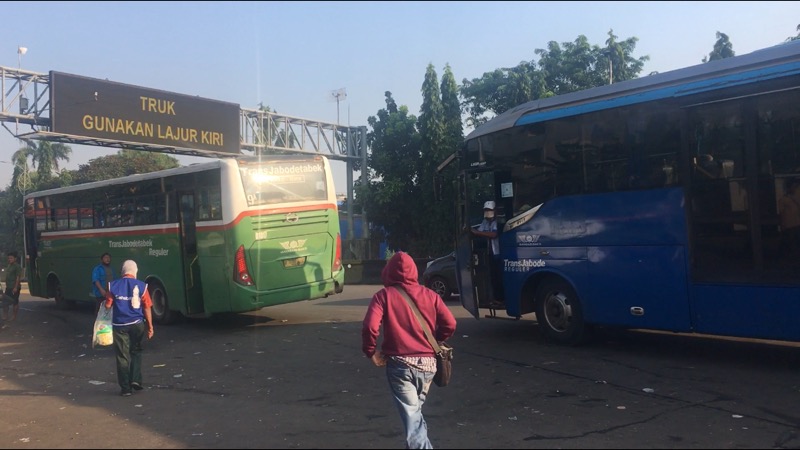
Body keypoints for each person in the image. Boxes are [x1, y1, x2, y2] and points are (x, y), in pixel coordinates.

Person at [362, 251, 456, 449]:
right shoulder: (431, 295)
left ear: (388, 272)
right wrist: (435, 340)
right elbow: (450, 323)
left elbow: (370, 326)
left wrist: (371, 351)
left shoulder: (383, 296)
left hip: (400, 367)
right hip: (428, 366)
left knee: (413, 421)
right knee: (415, 416)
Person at [104, 260, 154, 397]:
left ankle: (126, 389)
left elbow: (108, 306)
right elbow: (147, 307)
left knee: (122, 356)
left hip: (120, 325)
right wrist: (150, 327)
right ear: (135, 271)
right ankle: (136, 380)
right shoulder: (142, 286)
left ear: (123, 271)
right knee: (136, 351)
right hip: (137, 324)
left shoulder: (113, 285)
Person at [470, 201, 503, 303]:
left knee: (499, 277)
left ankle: (501, 298)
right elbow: (479, 232)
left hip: (499, 253)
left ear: (494, 211)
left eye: (489, 210)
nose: (487, 212)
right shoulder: (485, 222)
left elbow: (493, 235)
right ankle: (495, 298)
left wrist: (478, 232)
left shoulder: (498, 221)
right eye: (486, 210)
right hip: (490, 254)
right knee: (492, 277)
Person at [778, 178, 800, 256]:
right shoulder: (783, 200)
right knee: (792, 242)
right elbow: (782, 213)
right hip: (789, 225)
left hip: (797, 224)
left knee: (796, 241)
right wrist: (782, 225)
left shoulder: (795, 198)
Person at [2, 251, 23, 322]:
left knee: (15, 302)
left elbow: (18, 278)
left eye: (11, 258)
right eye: (8, 258)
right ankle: (5, 315)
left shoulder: (17, 266)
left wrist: (15, 287)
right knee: (5, 301)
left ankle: (14, 316)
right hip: (8, 287)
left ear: (15, 259)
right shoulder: (9, 266)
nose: (9, 259)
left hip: (14, 287)